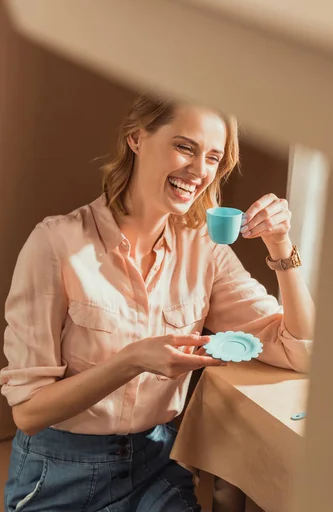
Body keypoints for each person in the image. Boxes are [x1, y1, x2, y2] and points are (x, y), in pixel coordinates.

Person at [1, 94, 314, 512]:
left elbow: (301, 349)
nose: (200, 170)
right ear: (136, 138)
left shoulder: (205, 249)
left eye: (213, 157)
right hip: (59, 471)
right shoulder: (56, 244)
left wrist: (281, 246)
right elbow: (28, 412)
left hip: (156, 465)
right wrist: (132, 361)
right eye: (185, 146)